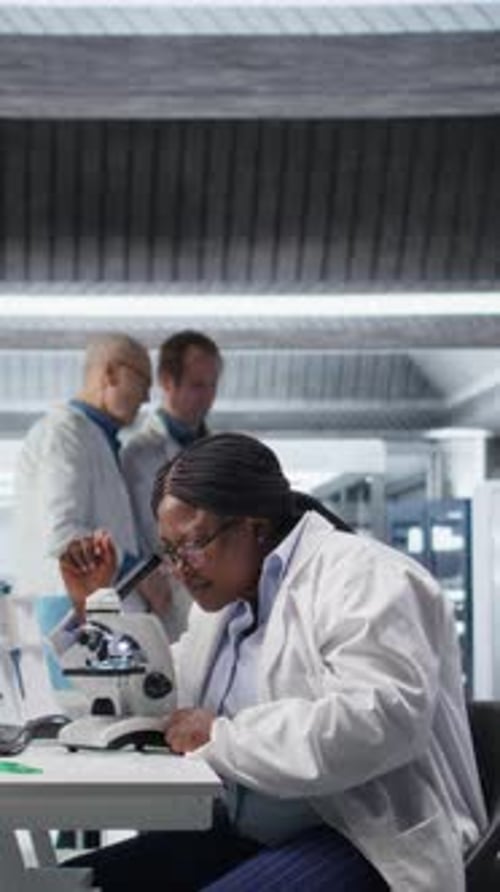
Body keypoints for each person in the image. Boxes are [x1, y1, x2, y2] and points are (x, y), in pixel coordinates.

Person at [62, 433, 486, 891]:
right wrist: (95, 610)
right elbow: (158, 693)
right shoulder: (226, 606)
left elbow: (379, 720)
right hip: (256, 831)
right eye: (169, 551)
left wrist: (223, 736)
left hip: (363, 835)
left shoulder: (365, 576)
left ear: (255, 527)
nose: (180, 567)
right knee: (69, 883)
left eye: (192, 544)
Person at [13, 332, 154, 617]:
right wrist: (138, 573)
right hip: (67, 600)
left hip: (94, 599)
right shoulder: (64, 434)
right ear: (111, 373)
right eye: (143, 382)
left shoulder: (97, 438)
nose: (147, 397)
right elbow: (63, 533)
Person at [121, 330, 222, 640]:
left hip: (217, 595)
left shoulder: (221, 450)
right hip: (164, 600)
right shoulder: (135, 453)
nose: (207, 396)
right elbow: (130, 532)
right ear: (167, 381)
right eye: (197, 385)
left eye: (212, 385)